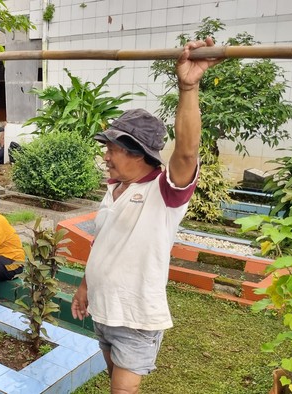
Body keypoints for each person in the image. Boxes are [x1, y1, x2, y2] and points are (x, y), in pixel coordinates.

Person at [71, 38, 222, 393]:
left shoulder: (164, 192)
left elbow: (186, 153)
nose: (106, 155)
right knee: (114, 382)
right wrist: (83, 287)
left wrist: (188, 86)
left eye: (113, 148)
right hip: (105, 310)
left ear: (139, 152)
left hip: (135, 317)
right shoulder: (115, 188)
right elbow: (103, 244)